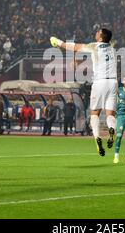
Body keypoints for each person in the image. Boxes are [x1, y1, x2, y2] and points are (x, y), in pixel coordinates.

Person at [50, 28, 117, 156]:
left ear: (101, 37)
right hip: (113, 82)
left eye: (98, 32)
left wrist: (58, 42)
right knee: (110, 114)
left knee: (94, 113)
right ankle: (112, 129)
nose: (96, 33)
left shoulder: (94, 46)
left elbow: (74, 47)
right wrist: (78, 60)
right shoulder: (111, 48)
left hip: (99, 82)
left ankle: (97, 138)